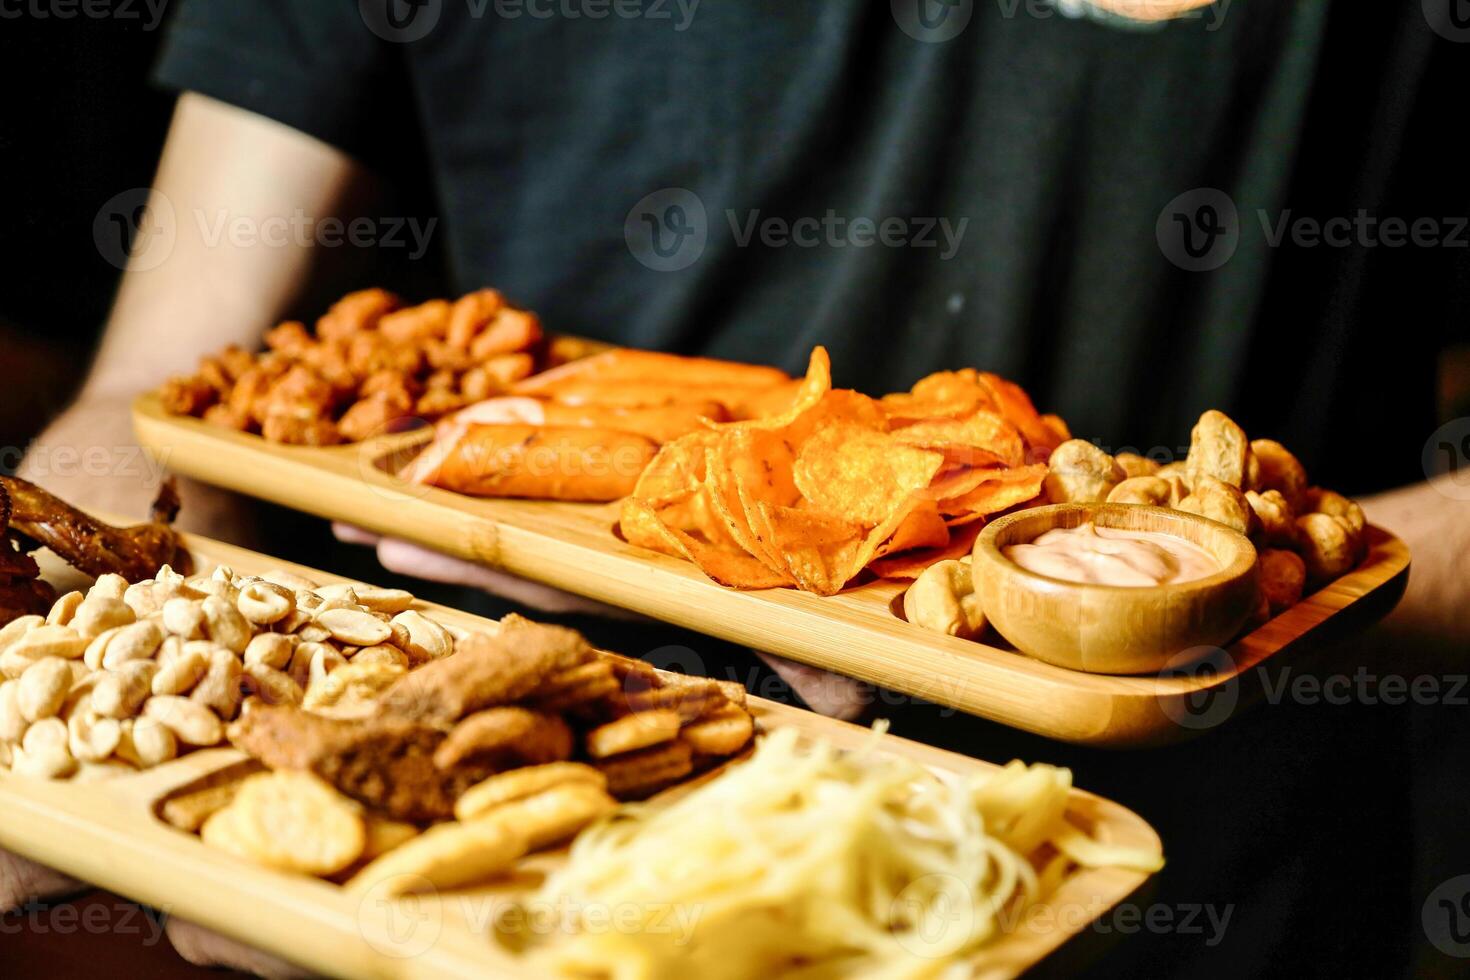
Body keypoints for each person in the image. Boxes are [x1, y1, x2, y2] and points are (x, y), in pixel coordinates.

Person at [7, 2, 1468, 976]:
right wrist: (55, 711)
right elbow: (161, 396)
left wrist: (1150, 632)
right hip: (529, 892)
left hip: (1166, 899)